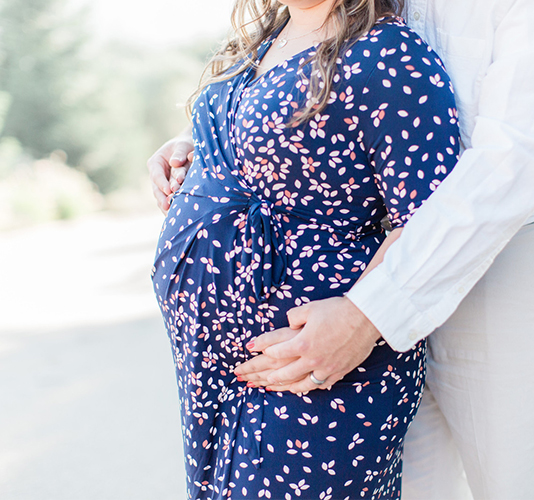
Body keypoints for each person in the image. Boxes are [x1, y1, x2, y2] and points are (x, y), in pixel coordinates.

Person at [150, 1, 534, 499]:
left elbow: (521, 152)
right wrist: (214, 137)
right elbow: (322, 35)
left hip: (512, 249)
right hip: (373, 254)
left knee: (519, 486)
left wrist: (370, 312)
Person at [150, 0, 460, 498]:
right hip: (212, 368)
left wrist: (363, 316)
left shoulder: (390, 53)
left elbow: (434, 219)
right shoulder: (264, 42)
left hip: (318, 363)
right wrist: (195, 153)